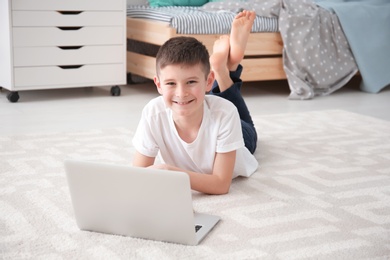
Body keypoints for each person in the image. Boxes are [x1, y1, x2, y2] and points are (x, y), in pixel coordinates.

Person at [132, 10, 258, 195]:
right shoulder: (153, 113)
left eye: (190, 82)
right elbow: (137, 177)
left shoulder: (225, 114)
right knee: (207, 101)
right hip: (208, 107)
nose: (181, 93)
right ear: (158, 85)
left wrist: (171, 173)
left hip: (237, 136)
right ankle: (225, 69)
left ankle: (225, 70)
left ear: (209, 81)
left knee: (248, 130)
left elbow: (221, 185)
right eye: (171, 83)